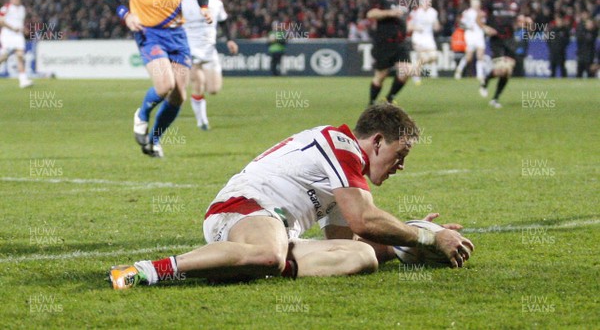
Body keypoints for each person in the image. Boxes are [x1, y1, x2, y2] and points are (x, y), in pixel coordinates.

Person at [109, 104, 474, 289]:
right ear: (377, 141)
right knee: (269, 252)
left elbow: (347, 240)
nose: (401, 166)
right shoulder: (341, 143)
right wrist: (428, 235)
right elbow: (366, 219)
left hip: (277, 229)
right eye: (401, 154)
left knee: (361, 257)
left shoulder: (348, 174)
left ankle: (242, 266)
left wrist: (406, 246)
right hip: (244, 209)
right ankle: (146, 271)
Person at [103, 0, 212, 158]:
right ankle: (141, 114)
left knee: (179, 95)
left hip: (177, 36)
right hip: (149, 33)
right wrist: (126, 15)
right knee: (164, 85)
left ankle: (153, 141)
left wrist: (204, 8)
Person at [182, 0, 238, 130]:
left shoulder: (215, 1)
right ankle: (202, 121)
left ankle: (198, 99)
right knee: (197, 82)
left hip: (209, 49)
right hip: (189, 49)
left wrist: (230, 40)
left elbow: (224, 21)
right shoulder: (181, 2)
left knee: (213, 89)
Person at [479, 0, 533, 108]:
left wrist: (526, 22)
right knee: (502, 69)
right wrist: (485, 27)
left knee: (507, 72)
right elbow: (478, 18)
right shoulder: (490, 2)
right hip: (496, 39)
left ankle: (495, 99)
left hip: (510, 39)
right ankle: (486, 80)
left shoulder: (516, 3)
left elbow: (520, 20)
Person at [367, 0, 412, 105]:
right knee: (381, 76)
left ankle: (389, 99)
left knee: (407, 70)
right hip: (384, 43)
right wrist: (389, 13)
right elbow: (371, 13)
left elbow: (403, 19)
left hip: (400, 43)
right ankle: (371, 103)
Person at [0, 0, 33, 88]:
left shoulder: (22, 9)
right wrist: (12, 28)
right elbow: (1, 21)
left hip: (18, 36)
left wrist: (24, 29)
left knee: (20, 56)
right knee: (4, 57)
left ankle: (23, 81)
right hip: (7, 35)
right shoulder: (5, 8)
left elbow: (19, 23)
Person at [407, 0, 441, 83]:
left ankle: (414, 69)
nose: (427, 3)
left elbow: (436, 25)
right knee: (423, 58)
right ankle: (416, 74)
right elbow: (408, 27)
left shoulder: (433, 12)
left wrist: (437, 26)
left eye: (428, 1)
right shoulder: (415, 12)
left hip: (429, 38)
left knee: (434, 57)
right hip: (418, 38)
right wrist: (416, 28)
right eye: (425, 1)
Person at [454, 0, 487, 84]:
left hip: (479, 34)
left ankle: (480, 75)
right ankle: (459, 70)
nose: (477, 5)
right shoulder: (467, 13)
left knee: (480, 55)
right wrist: (468, 27)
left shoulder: (482, 13)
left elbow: (483, 24)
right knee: (469, 57)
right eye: (475, 3)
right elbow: (461, 24)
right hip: (470, 35)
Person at [546, 12, 571, 78]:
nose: (559, 22)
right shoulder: (552, 30)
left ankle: (565, 82)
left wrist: (561, 47)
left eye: (560, 20)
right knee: (552, 69)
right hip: (553, 53)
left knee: (562, 68)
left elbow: (567, 41)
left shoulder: (565, 30)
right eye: (558, 20)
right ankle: (551, 83)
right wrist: (552, 48)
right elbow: (548, 40)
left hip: (561, 53)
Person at [576, 12, 598, 78]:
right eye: (589, 23)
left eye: (591, 23)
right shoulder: (581, 31)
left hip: (590, 58)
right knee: (579, 75)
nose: (590, 25)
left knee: (591, 75)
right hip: (581, 57)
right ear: (585, 24)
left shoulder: (594, 33)